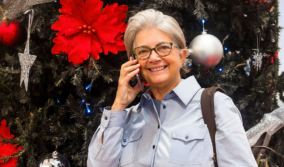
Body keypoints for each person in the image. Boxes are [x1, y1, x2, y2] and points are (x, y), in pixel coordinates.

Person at [87, 9, 257, 167]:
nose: (154, 58)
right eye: (143, 51)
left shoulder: (215, 106)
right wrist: (118, 107)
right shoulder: (126, 119)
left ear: (182, 55)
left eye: (163, 48)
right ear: (134, 61)